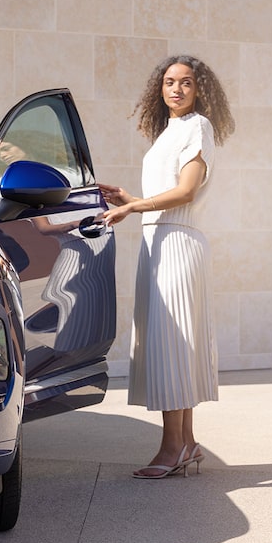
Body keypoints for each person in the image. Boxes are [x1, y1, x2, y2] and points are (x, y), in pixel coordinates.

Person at [97, 55, 236, 479]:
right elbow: (167, 191)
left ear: (200, 90)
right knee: (172, 346)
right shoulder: (169, 132)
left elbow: (187, 192)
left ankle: (172, 446)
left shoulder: (198, 127)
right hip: (159, 242)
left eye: (186, 83)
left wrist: (136, 206)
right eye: (170, 81)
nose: (176, 89)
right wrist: (130, 197)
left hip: (178, 245)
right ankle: (187, 443)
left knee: (173, 345)